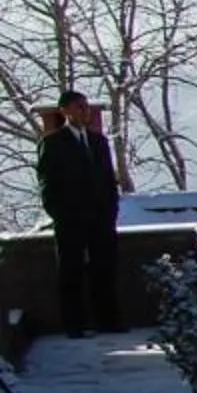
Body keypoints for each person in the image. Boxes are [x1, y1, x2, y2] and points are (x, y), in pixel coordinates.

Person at [36, 89, 123, 336]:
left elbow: (108, 180)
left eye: (85, 107)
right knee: (71, 272)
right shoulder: (52, 143)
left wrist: (111, 209)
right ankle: (74, 325)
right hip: (70, 220)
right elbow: (47, 183)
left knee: (104, 269)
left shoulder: (99, 142)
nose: (84, 112)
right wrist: (60, 214)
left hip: (101, 219)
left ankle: (108, 321)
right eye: (78, 107)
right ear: (64, 111)